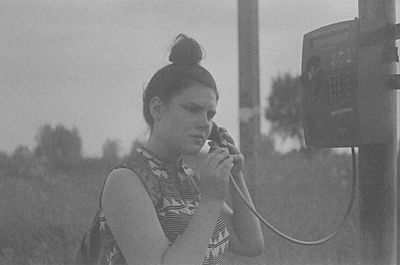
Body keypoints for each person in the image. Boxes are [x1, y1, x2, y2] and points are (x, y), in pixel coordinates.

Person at [99, 34, 264, 265]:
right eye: (192, 109)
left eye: (210, 114)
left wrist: (235, 175)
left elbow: (251, 244)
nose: (204, 123)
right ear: (157, 108)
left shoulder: (190, 179)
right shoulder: (126, 181)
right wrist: (210, 202)